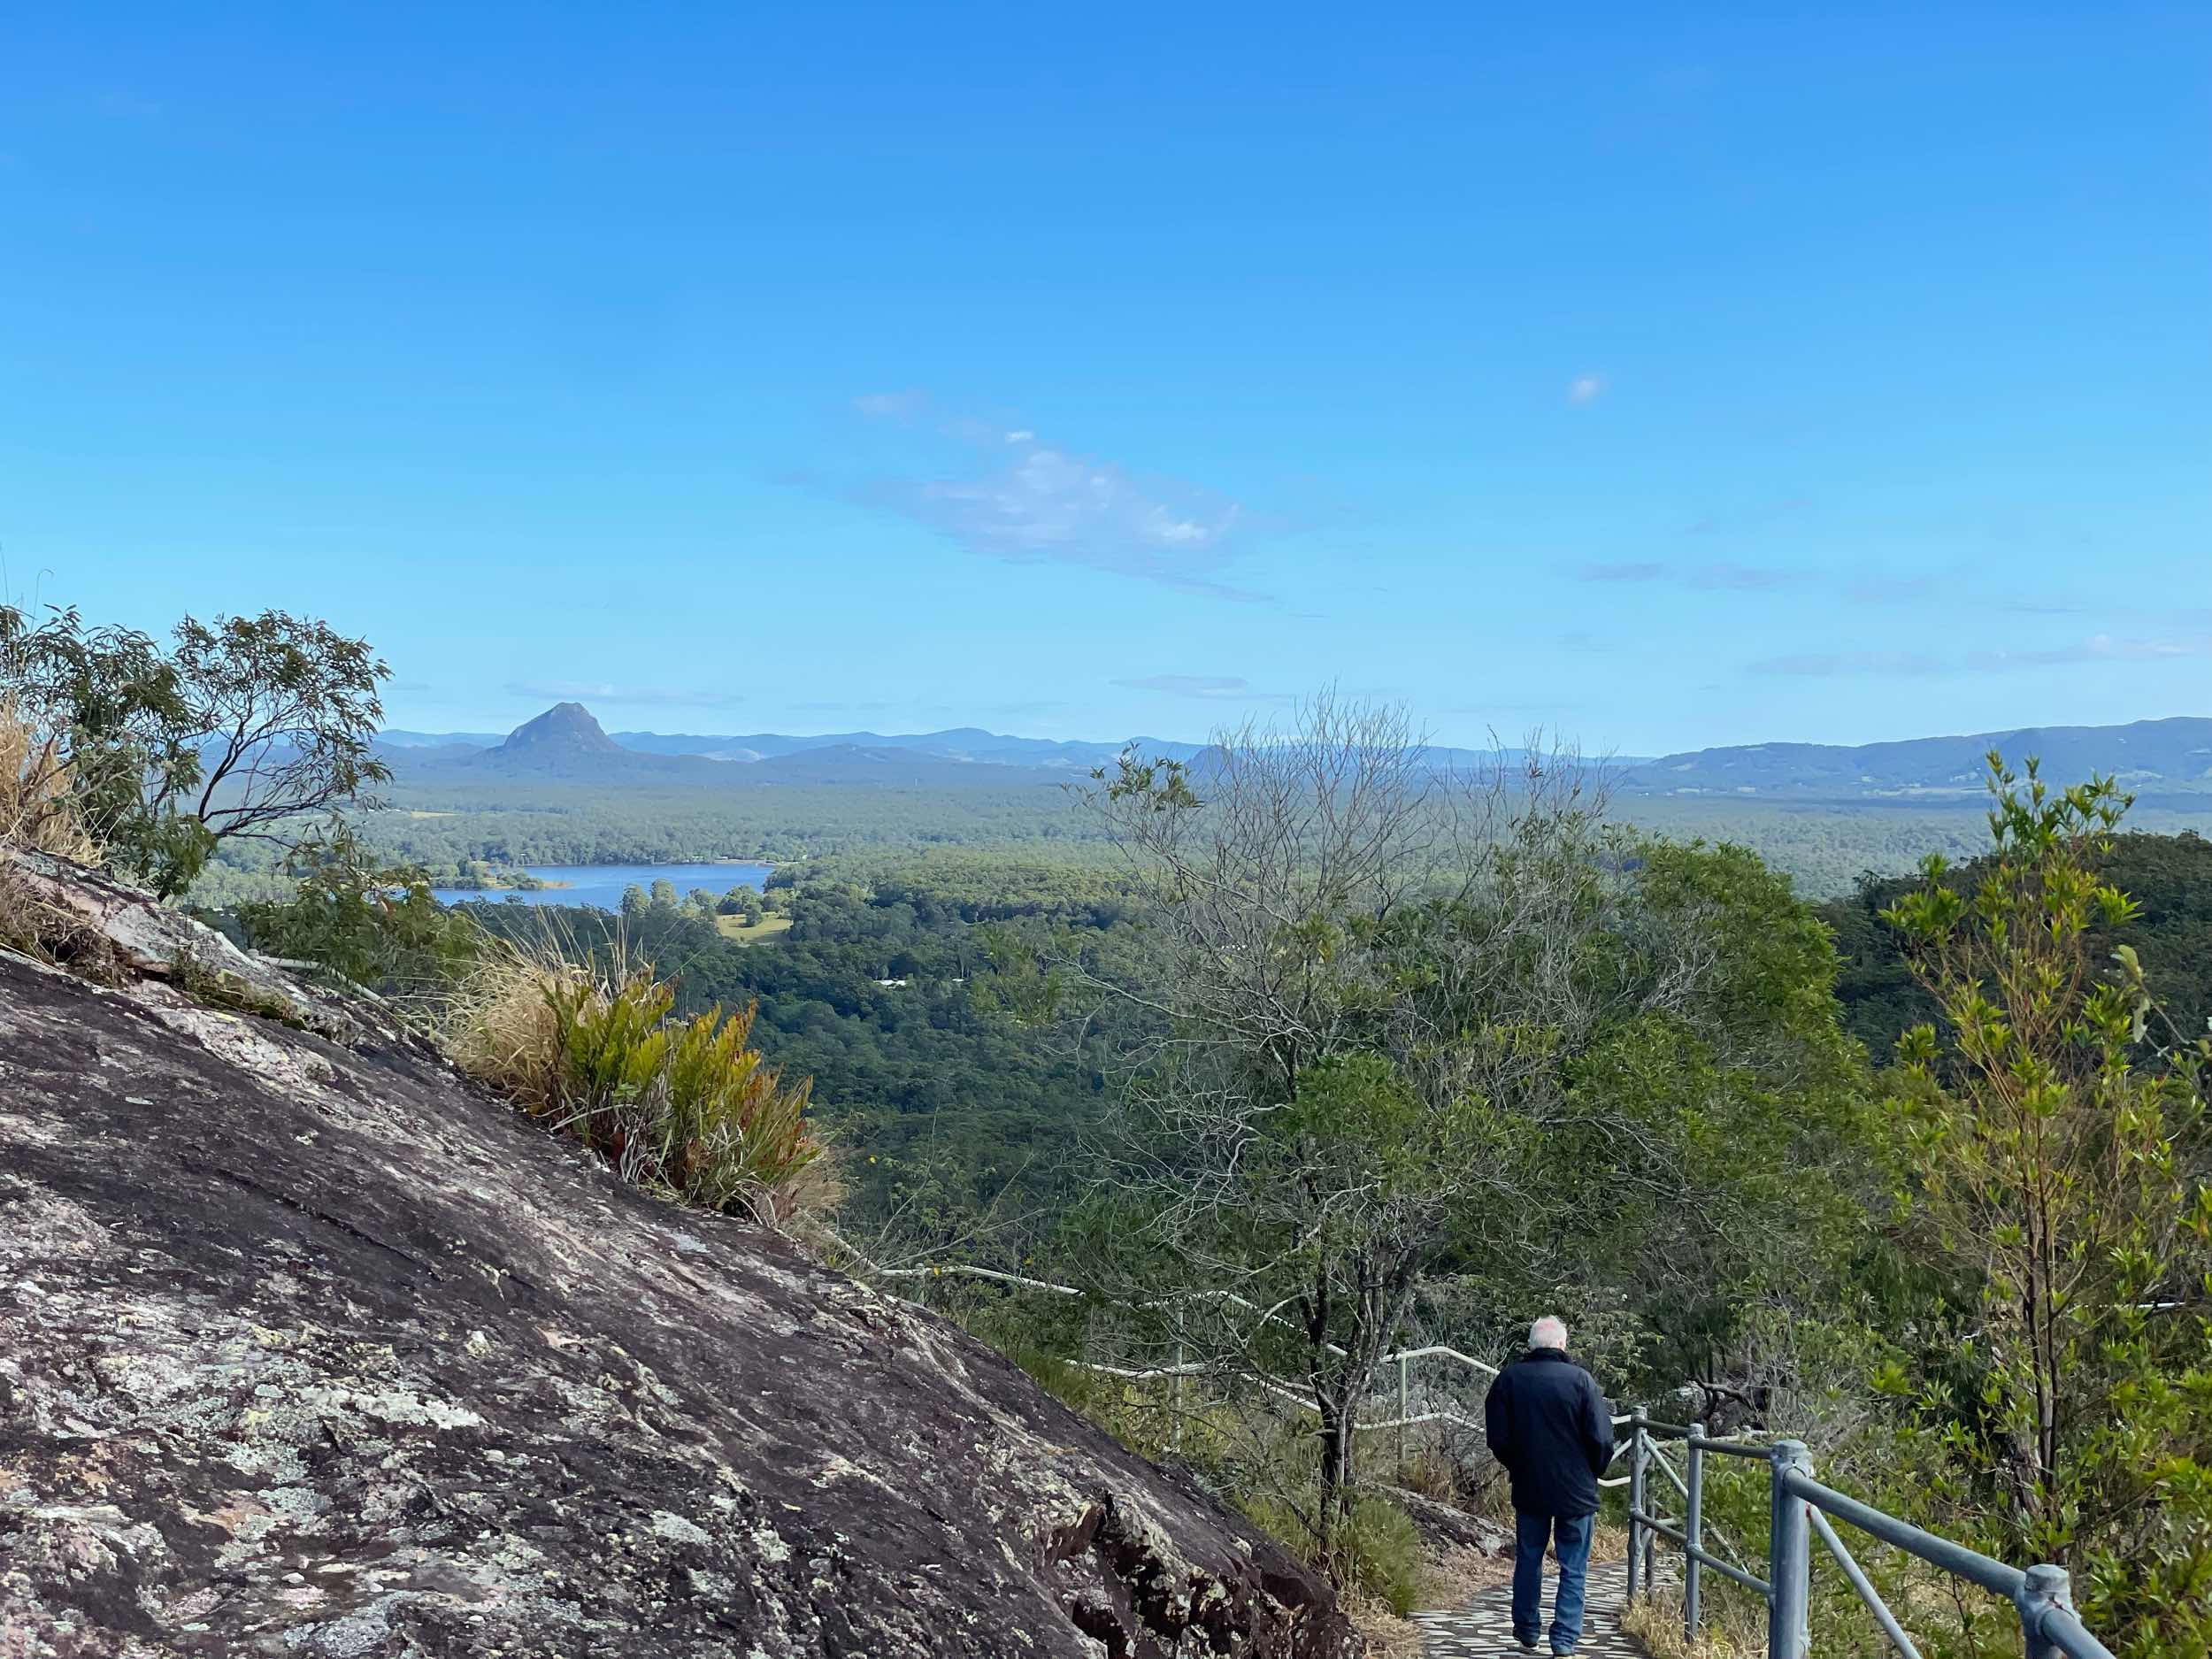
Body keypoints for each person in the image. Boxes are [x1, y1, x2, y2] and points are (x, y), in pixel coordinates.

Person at [1482, 1316, 1617, 1655]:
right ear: (1562, 1344)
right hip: (1576, 1490)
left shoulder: (1509, 1380)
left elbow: (1498, 1438)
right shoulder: (1582, 1382)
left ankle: (1527, 1629)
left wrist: (1518, 1464)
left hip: (1530, 1486)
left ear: (1532, 1345)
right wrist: (1592, 1472)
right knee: (1574, 1565)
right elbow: (1601, 1438)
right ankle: (1564, 1640)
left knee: (1529, 1557)